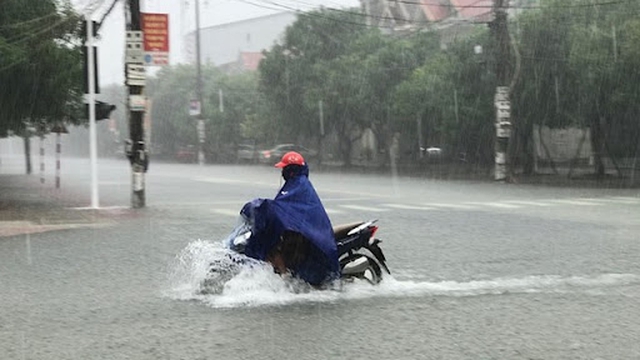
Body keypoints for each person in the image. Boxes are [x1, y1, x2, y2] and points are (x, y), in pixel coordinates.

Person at [242, 151, 340, 286]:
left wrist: (264, 206)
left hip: (306, 236)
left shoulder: (299, 185)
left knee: (273, 249)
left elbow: (282, 207)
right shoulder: (295, 184)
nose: (282, 172)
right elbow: (282, 207)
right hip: (299, 231)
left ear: (291, 171)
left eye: (285, 168)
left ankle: (285, 279)